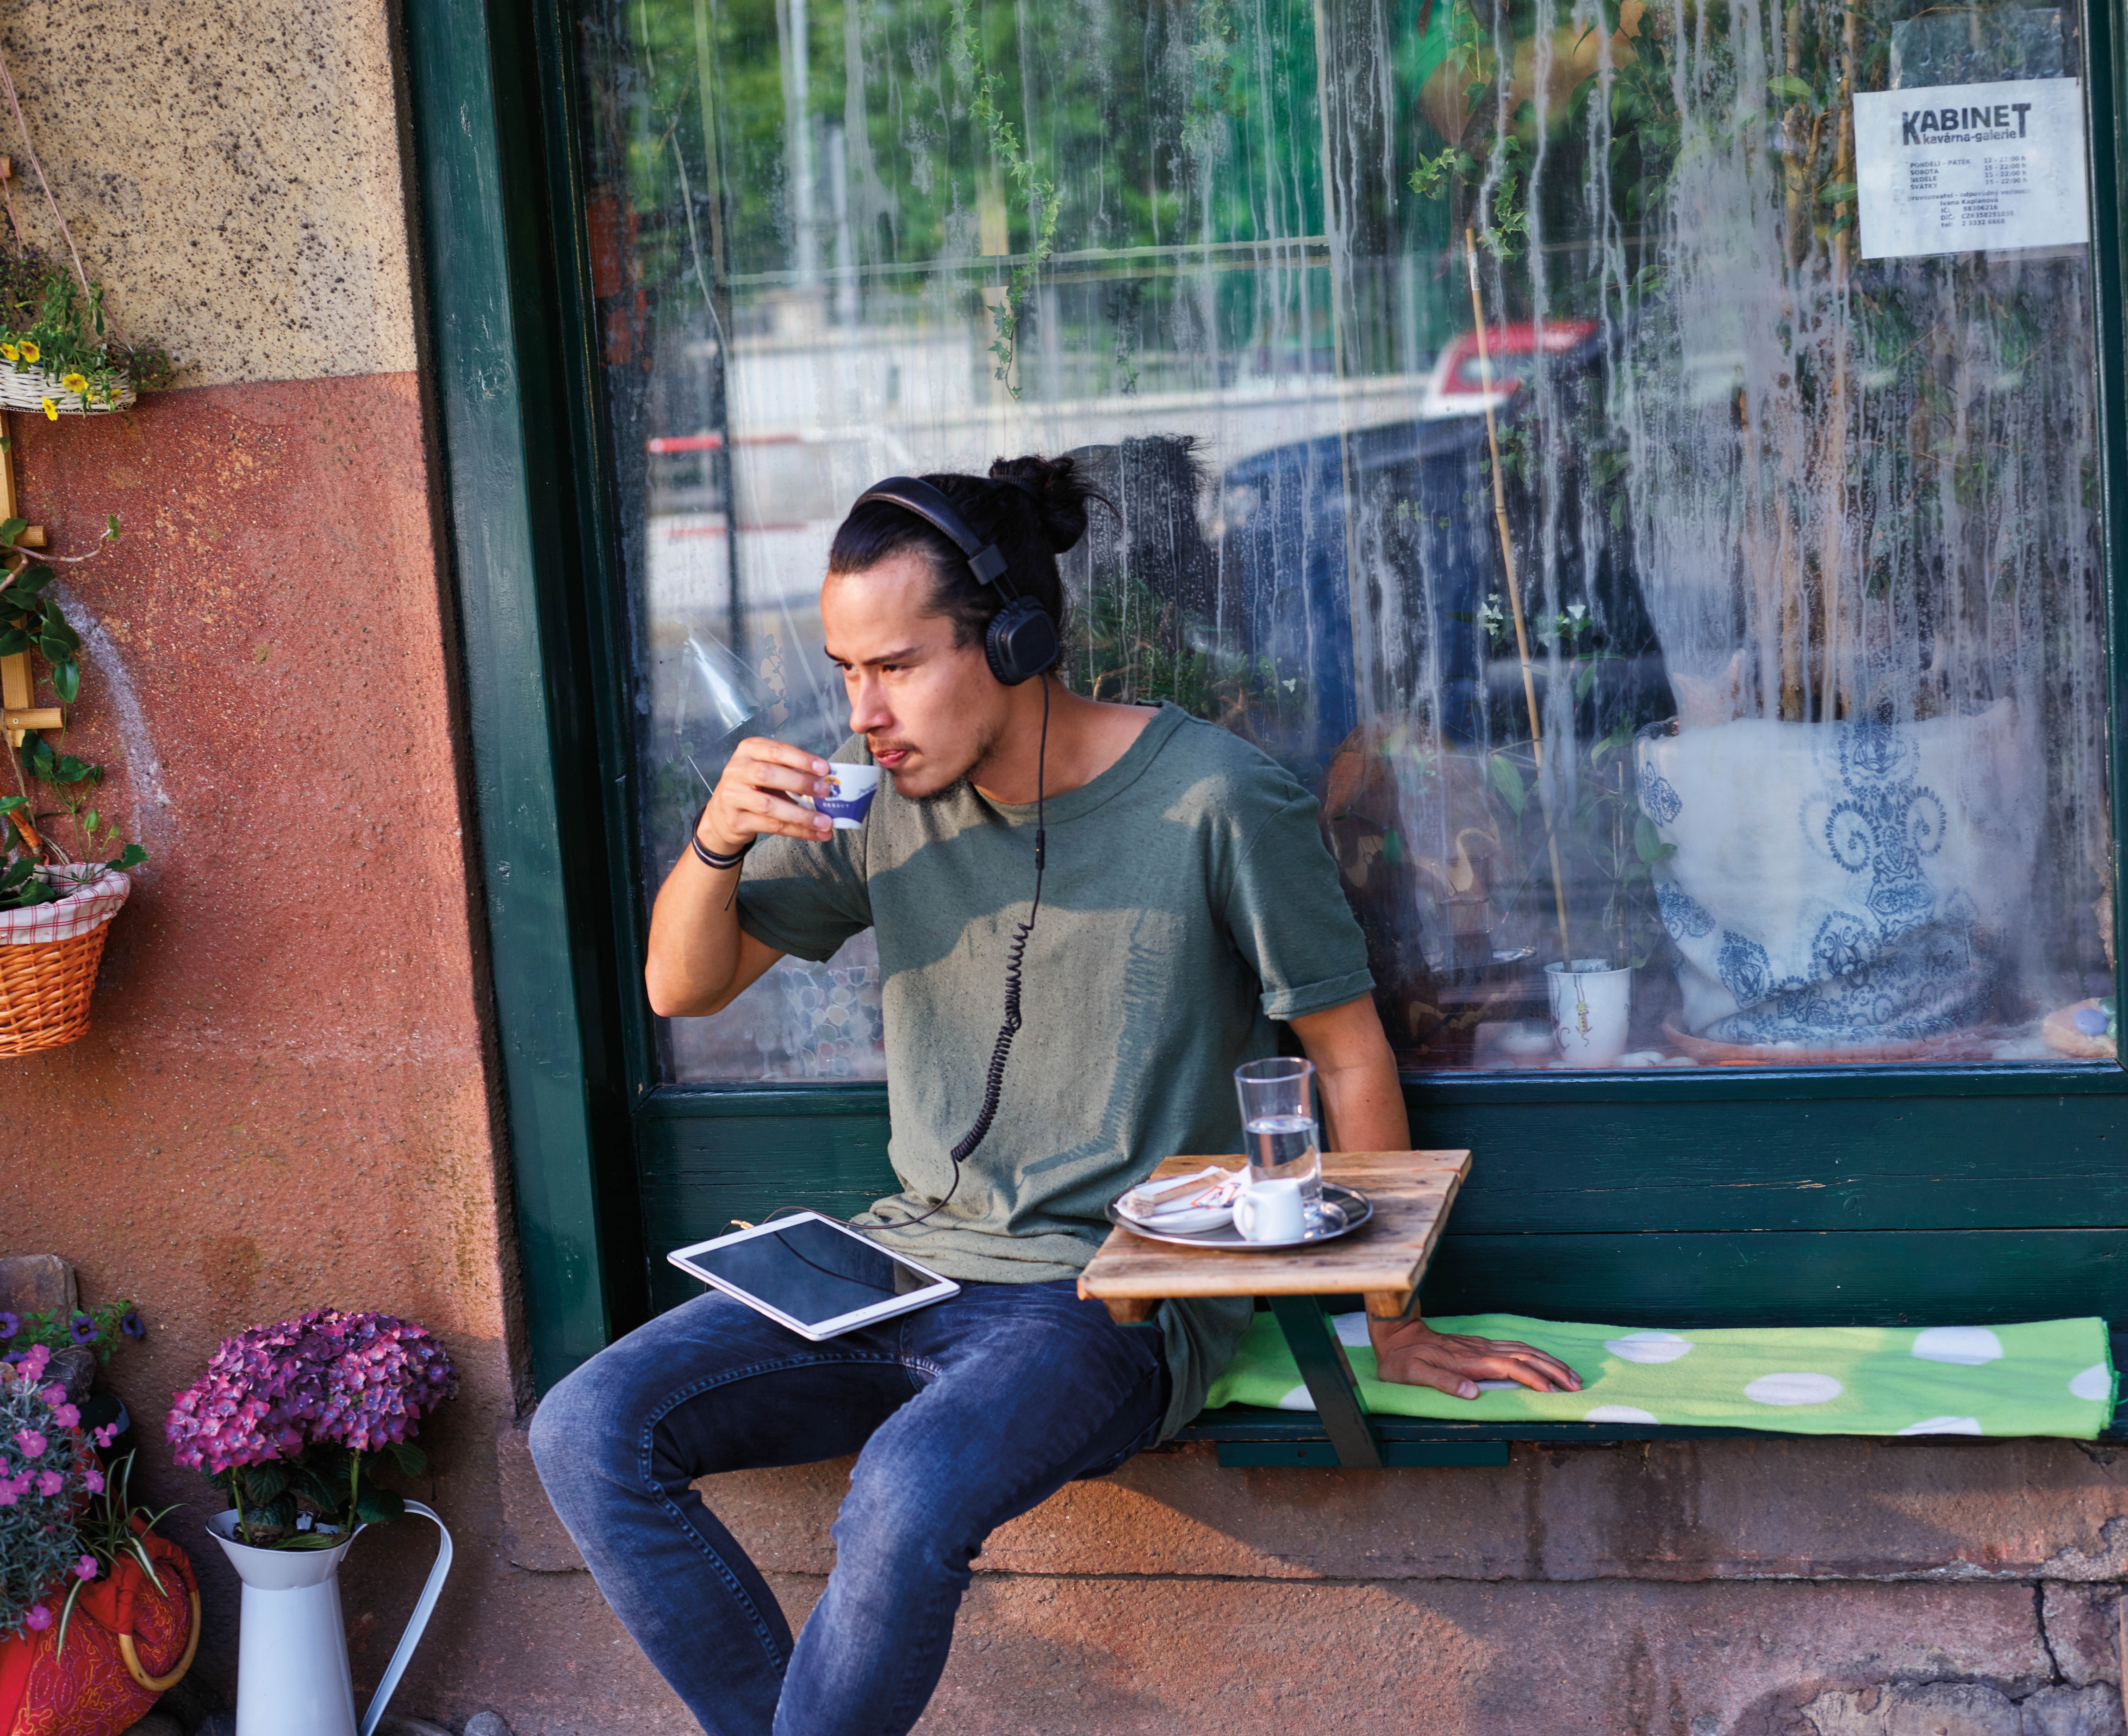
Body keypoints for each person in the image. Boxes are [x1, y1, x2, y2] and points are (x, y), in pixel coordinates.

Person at [529, 455, 1580, 1736]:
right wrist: (715, 844)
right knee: (588, 1427)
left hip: (1107, 1296)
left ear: (1018, 639)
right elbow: (680, 990)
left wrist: (1395, 1316)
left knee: (907, 1492)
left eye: (897, 666)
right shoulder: (882, 806)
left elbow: (1348, 1055)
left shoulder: (1216, 799)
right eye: (846, 671)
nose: (863, 712)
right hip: (900, 1265)